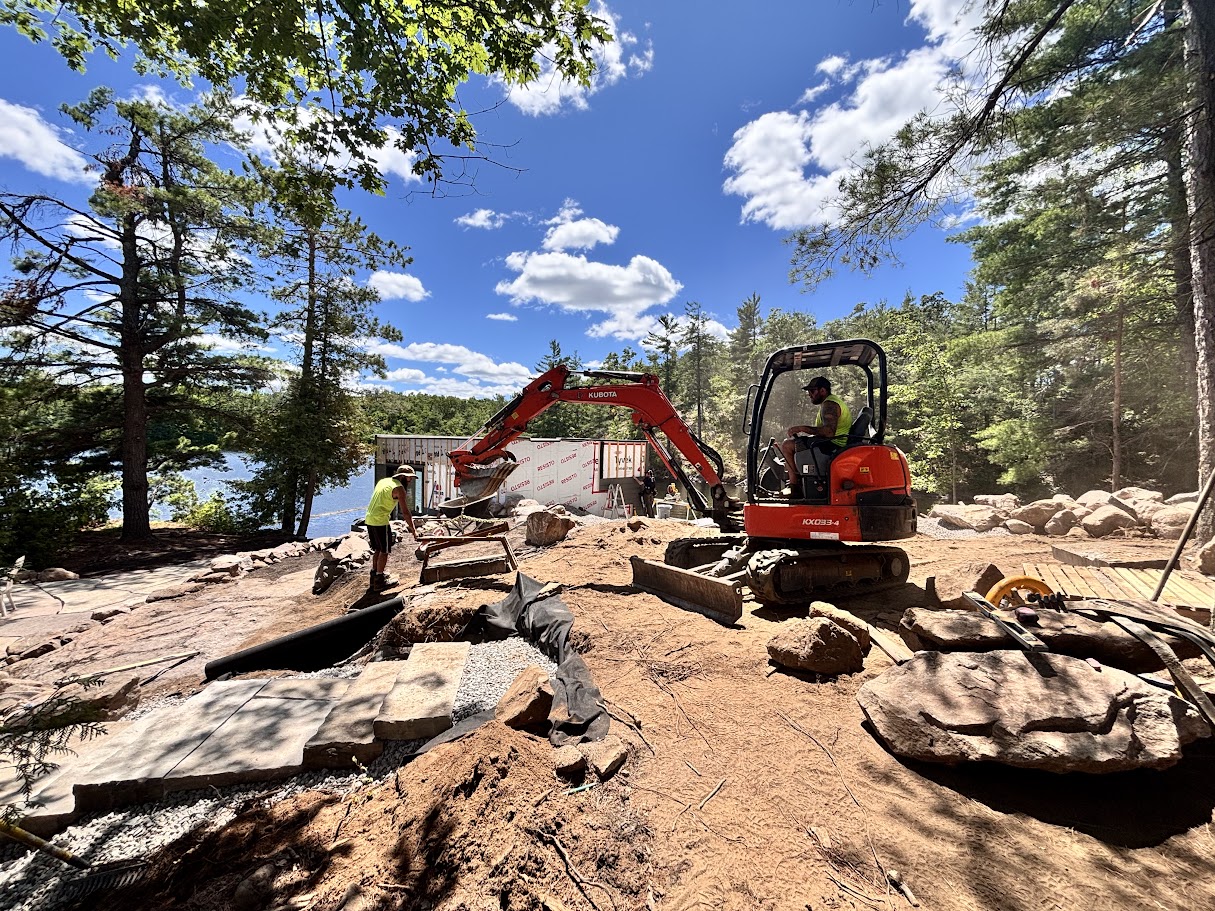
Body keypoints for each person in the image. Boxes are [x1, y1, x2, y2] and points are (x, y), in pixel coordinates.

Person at [778, 376, 852, 495]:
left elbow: (828, 432)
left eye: (812, 391)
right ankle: (800, 482)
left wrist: (802, 428)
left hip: (832, 445)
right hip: (830, 442)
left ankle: (794, 487)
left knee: (787, 445)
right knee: (795, 444)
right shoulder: (831, 402)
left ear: (823, 391)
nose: (809, 394)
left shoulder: (830, 405)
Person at [364, 464, 419, 589]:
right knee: (385, 550)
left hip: (369, 518)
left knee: (378, 548)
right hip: (380, 521)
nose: (410, 481)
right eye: (409, 478)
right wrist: (414, 532)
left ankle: (374, 575)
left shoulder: (384, 481)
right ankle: (379, 580)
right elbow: (406, 512)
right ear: (402, 477)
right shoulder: (399, 489)